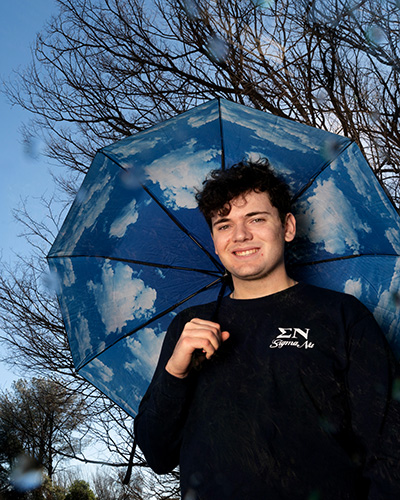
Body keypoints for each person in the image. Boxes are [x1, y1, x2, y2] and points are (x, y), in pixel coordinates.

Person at [134, 158, 400, 499]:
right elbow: (157, 455)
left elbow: (389, 448)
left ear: (287, 227)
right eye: (224, 225)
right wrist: (175, 372)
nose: (240, 235)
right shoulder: (190, 327)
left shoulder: (341, 315)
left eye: (256, 219)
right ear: (215, 240)